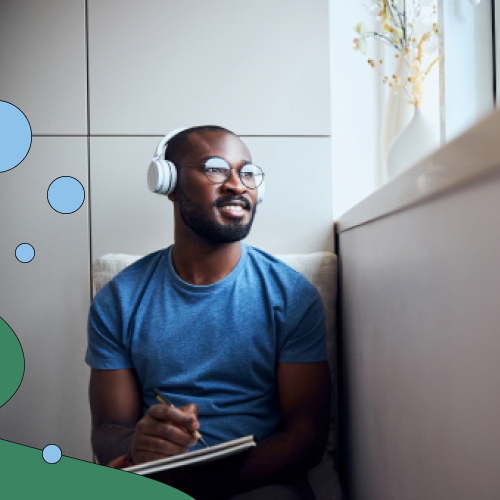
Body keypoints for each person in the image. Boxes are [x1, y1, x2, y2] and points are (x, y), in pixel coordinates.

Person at [86, 125, 332, 500]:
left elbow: (307, 437)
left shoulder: (292, 296)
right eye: (215, 169)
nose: (237, 184)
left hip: (259, 485)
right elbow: (107, 430)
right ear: (168, 183)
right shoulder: (119, 299)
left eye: (246, 172)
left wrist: (201, 486)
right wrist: (137, 445)